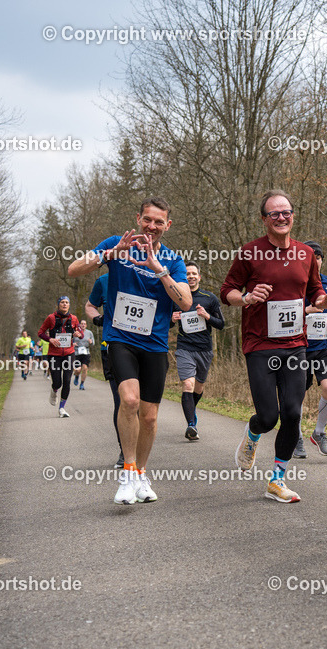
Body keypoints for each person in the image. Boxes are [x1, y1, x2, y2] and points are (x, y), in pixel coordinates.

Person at [68, 197, 191, 505]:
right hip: (120, 338)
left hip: (155, 344)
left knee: (149, 417)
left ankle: (140, 474)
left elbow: (187, 303)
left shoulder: (173, 261)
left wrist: (158, 269)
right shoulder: (116, 245)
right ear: (138, 218)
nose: (152, 226)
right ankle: (126, 472)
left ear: (167, 225)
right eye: (147, 219)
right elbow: (73, 269)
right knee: (130, 400)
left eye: (158, 222)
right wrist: (109, 255)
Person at [220, 190, 327, 503]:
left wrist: (324, 301)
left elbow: (314, 291)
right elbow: (227, 290)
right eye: (274, 213)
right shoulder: (250, 253)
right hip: (259, 344)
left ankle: (276, 480)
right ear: (264, 220)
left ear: (292, 215)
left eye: (286, 212)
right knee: (269, 416)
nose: (281, 217)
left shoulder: (305, 255)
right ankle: (253, 431)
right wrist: (245, 298)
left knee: (292, 412)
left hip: (296, 344)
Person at [294, 241, 327, 458]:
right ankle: (296, 437)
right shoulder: (294, 283)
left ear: (321, 260)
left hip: (324, 347)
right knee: (297, 396)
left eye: (318, 257)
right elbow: (285, 313)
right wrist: (306, 310)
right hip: (299, 347)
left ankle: (319, 433)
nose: (315, 261)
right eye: (311, 257)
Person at [171, 262, 224, 441]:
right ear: (183, 277)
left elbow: (221, 324)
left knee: (199, 387)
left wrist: (207, 316)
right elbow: (165, 324)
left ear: (199, 277)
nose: (191, 276)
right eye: (187, 274)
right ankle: (191, 425)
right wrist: (171, 319)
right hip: (185, 348)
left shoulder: (209, 298)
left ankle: (191, 412)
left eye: (194, 273)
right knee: (188, 385)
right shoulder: (176, 298)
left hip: (205, 349)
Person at [85, 273, 124, 468]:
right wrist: (98, 318)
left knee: (144, 406)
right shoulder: (103, 280)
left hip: (145, 348)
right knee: (123, 401)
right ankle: (125, 451)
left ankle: (138, 449)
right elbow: (89, 305)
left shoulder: (147, 274)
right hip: (112, 346)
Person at [38, 296, 82, 418]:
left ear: (69, 305)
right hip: (54, 355)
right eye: (62, 302)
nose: (64, 304)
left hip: (69, 353)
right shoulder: (50, 318)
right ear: (58, 304)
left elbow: (80, 333)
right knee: (57, 382)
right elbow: (40, 333)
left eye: (66, 302)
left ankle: (62, 408)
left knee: (67, 381)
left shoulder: (74, 318)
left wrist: (79, 334)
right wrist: (50, 339)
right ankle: (54, 390)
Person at [72, 320, 94, 390]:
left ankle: (82, 384)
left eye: (84, 324)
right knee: (78, 370)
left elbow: (93, 343)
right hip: (77, 352)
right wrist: (72, 344)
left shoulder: (89, 333)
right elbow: (70, 341)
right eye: (82, 324)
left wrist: (91, 342)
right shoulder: (76, 332)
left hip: (86, 352)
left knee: (84, 368)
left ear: (86, 325)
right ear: (79, 325)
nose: (83, 325)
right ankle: (76, 376)